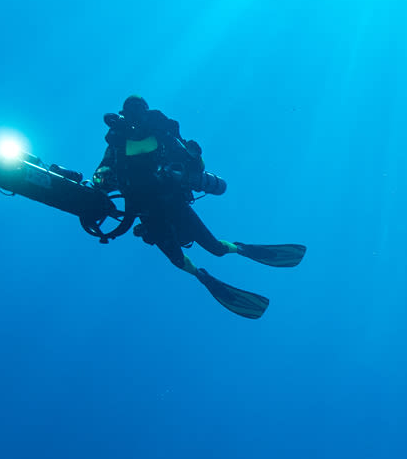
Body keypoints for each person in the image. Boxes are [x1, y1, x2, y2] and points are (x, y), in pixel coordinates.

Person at [91, 95, 305, 319]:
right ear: (125, 114)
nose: (135, 116)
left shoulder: (162, 134)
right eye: (131, 110)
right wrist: (100, 180)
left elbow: (192, 162)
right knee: (177, 259)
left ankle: (242, 248)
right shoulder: (117, 144)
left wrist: (195, 155)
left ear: (145, 112)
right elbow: (102, 176)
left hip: (171, 201)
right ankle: (201, 276)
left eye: (138, 109)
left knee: (215, 248)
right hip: (145, 210)